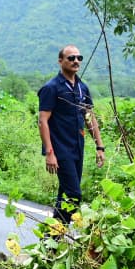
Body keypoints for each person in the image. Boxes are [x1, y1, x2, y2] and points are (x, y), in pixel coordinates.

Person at [37, 45, 106, 223]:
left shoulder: (82, 88)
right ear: (60, 61)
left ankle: (51, 245)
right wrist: (49, 153)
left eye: (79, 58)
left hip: (78, 148)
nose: (76, 61)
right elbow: (43, 120)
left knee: (65, 196)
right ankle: (53, 239)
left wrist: (99, 146)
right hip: (61, 150)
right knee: (74, 195)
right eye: (71, 58)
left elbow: (89, 117)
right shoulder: (52, 88)